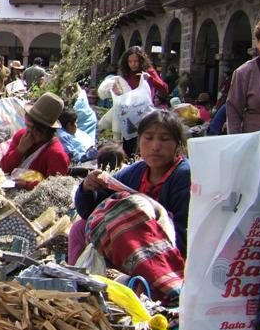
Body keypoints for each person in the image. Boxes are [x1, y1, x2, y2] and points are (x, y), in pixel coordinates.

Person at [72, 109, 190, 303]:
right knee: (79, 227)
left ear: (177, 145)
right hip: (132, 251)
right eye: (149, 138)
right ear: (139, 141)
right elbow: (87, 210)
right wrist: (87, 188)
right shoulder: (137, 172)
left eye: (164, 139)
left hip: (167, 253)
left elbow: (184, 232)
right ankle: (77, 285)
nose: (155, 146)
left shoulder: (183, 176)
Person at [0, 92, 70, 178]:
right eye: (26, 125)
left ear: (43, 129)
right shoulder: (21, 136)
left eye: (29, 126)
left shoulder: (56, 154)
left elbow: (55, 188)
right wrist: (19, 150)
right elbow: (4, 168)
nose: (27, 131)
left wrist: (27, 184)